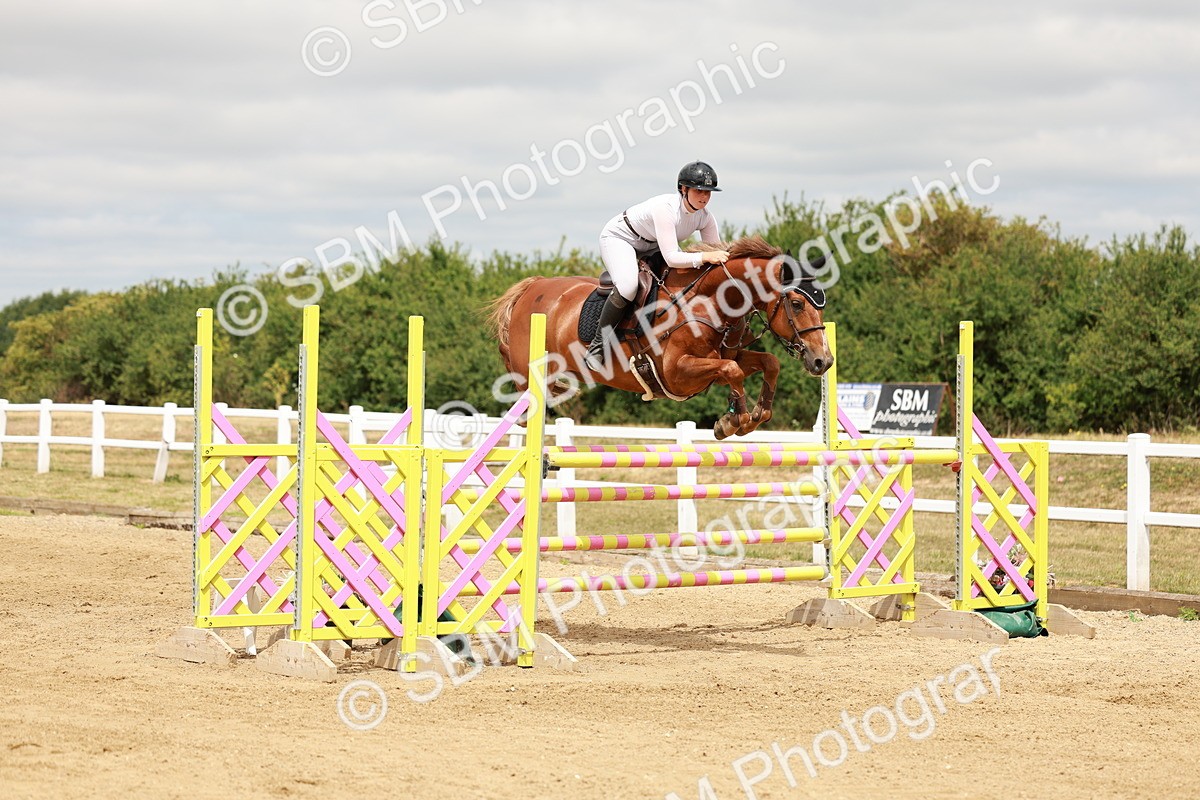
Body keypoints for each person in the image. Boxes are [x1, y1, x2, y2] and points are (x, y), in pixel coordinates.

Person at [583, 161, 731, 370]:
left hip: (653, 243)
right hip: (621, 238)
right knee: (628, 286)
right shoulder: (666, 209)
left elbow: (715, 251)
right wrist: (705, 257)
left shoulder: (705, 218)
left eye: (708, 192)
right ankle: (597, 346)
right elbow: (672, 257)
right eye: (699, 190)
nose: (704, 197)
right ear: (683, 189)